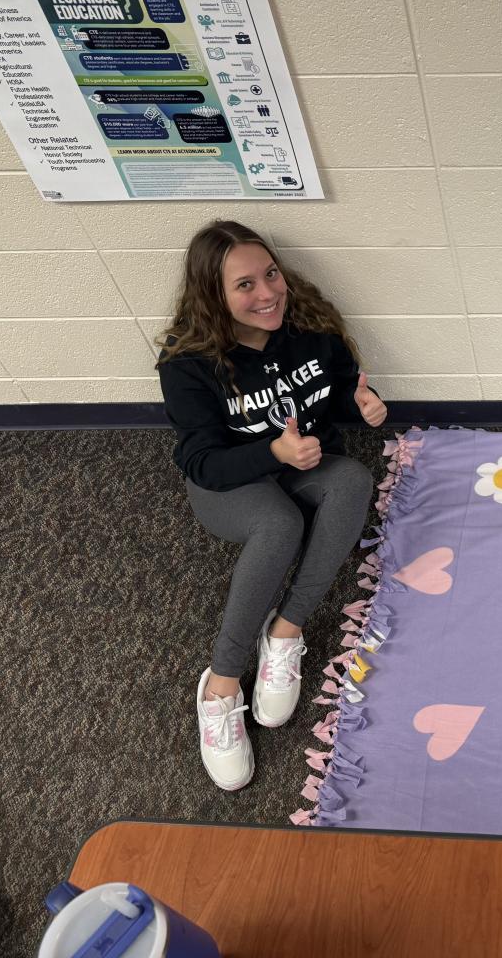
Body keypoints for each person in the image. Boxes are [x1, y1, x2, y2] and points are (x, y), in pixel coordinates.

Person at [156, 220, 387, 790]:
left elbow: (336, 394)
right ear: (213, 295)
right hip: (231, 483)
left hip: (303, 465)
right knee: (280, 524)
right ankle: (221, 684)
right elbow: (201, 463)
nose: (267, 293)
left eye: (271, 274)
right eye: (245, 285)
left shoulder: (311, 327)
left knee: (353, 481)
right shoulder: (187, 361)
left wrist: (363, 407)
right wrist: (271, 452)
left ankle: (284, 632)